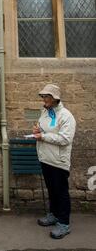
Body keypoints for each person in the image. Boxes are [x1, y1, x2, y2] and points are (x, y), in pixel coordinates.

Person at [33, 84, 76, 239]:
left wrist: (43, 136)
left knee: (61, 192)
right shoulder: (45, 112)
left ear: (55, 99)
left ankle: (64, 224)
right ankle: (53, 215)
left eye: (47, 97)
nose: (44, 99)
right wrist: (38, 131)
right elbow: (44, 130)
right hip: (45, 158)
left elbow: (65, 139)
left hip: (58, 161)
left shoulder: (66, 116)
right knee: (52, 190)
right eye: (43, 96)